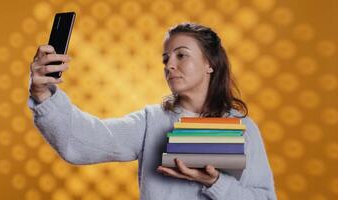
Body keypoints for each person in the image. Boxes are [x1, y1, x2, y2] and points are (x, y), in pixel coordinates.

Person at [28, 23, 277, 200]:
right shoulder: (151, 121)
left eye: (181, 55)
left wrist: (214, 182)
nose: (169, 65)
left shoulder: (242, 128)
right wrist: (42, 95)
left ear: (209, 64)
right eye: (166, 58)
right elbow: (79, 142)